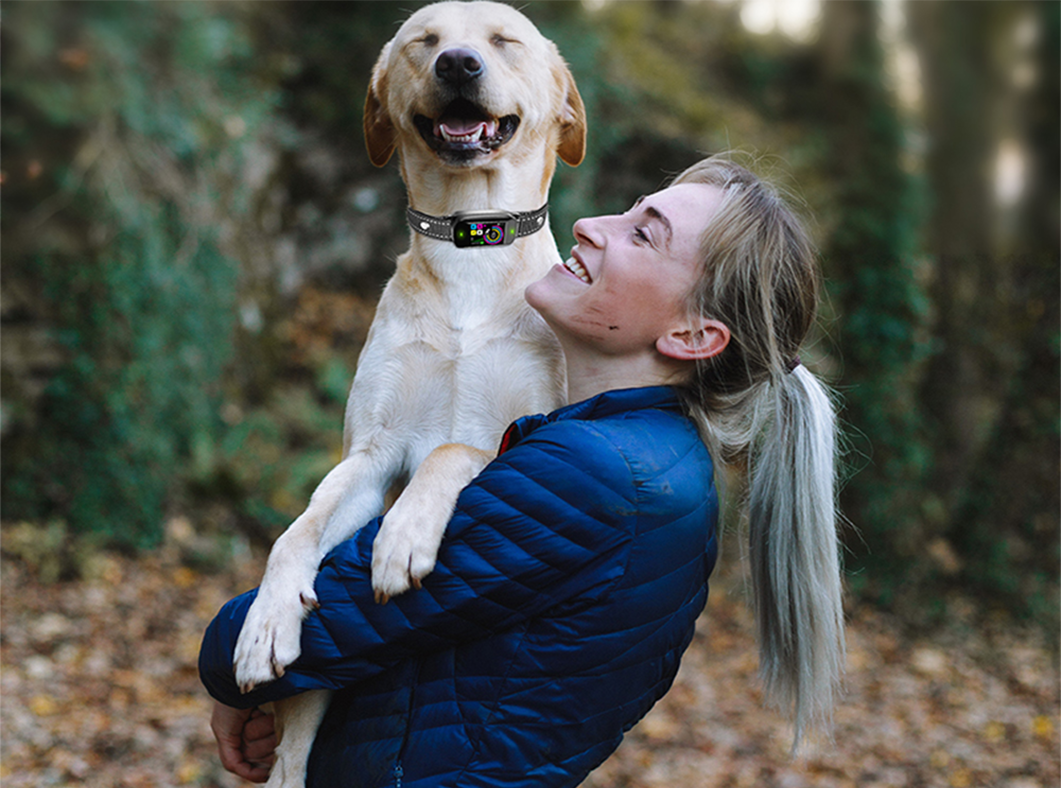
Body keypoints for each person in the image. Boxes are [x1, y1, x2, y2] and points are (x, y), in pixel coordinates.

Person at [199, 156, 844, 787]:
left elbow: (339, 619)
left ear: (693, 338)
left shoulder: (594, 475)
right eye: (627, 211)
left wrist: (230, 667)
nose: (591, 223)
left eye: (642, 234)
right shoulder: (645, 457)